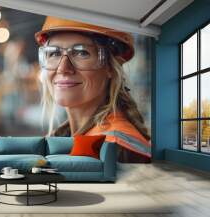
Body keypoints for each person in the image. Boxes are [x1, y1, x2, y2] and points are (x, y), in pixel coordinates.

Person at [35, 16, 151, 163]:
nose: (63, 68)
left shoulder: (114, 149)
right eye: (54, 53)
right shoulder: (64, 137)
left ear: (110, 67)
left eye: (81, 53)